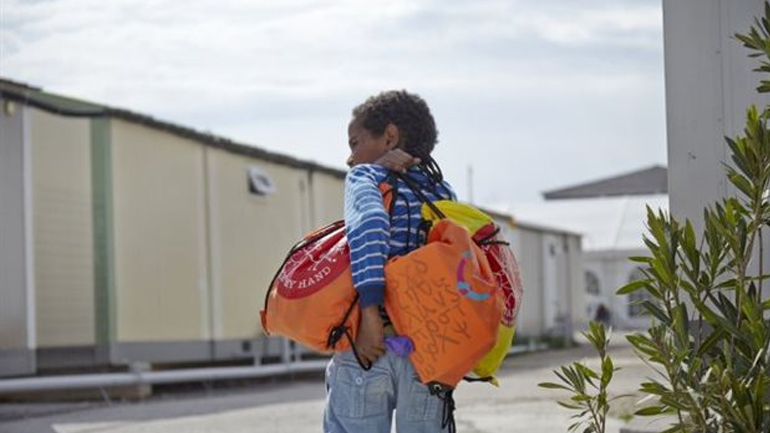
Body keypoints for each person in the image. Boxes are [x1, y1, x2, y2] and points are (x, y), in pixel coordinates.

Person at [324, 90, 456, 433]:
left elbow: (369, 227)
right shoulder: (443, 192)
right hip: (429, 355)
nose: (350, 159)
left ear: (389, 136)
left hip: (369, 347)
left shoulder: (366, 178)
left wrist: (370, 314)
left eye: (355, 143)